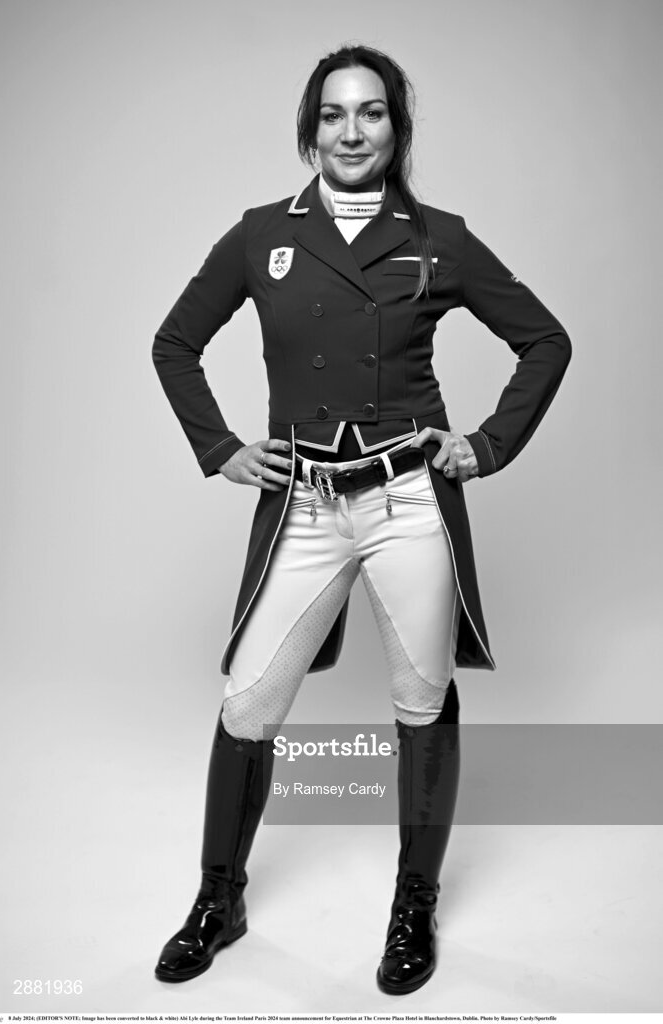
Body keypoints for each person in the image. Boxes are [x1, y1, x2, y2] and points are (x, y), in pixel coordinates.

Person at [151, 44, 571, 995]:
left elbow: (545, 340)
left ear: (396, 127)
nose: (352, 131)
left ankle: (413, 905)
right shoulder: (260, 235)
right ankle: (219, 899)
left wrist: (488, 444)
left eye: (371, 112)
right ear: (310, 129)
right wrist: (220, 448)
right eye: (334, 114)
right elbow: (175, 342)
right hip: (303, 503)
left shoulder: (440, 238)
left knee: (422, 701)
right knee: (248, 704)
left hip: (406, 502)